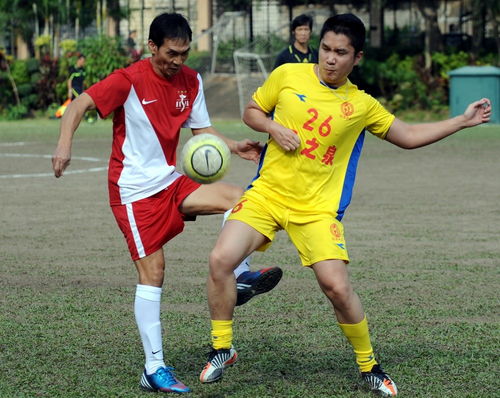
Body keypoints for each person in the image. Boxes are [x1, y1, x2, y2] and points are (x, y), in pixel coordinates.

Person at [199, 13, 492, 396]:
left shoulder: (361, 104)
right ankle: (222, 348)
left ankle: (370, 367)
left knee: (336, 287)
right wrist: (272, 127)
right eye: (325, 49)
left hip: (317, 210)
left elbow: (406, 134)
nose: (330, 59)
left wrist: (460, 122)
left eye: (341, 52)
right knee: (221, 260)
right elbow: (252, 112)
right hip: (267, 195)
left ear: (358, 58)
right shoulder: (288, 74)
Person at [52, 13, 282, 395]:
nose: (178, 60)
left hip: (170, 181)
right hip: (132, 191)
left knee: (242, 200)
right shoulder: (127, 80)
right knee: (154, 272)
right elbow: (79, 106)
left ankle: (240, 274)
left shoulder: (191, 80)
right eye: (171, 53)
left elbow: (201, 128)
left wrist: (232, 145)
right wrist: (64, 144)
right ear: (152, 47)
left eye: (185, 53)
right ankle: (153, 367)